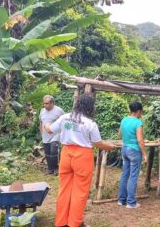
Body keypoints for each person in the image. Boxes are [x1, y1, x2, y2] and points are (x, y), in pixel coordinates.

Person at [45, 94, 117, 227]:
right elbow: (98, 144)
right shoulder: (90, 123)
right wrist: (111, 146)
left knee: (64, 189)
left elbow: (49, 130)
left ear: (77, 104)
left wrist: (47, 124)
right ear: (90, 107)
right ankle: (74, 223)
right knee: (80, 192)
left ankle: (61, 222)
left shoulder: (65, 117)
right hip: (83, 156)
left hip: (66, 154)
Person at [118, 102, 148, 209]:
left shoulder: (124, 120)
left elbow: (119, 135)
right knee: (133, 176)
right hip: (134, 151)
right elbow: (140, 140)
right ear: (139, 111)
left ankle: (121, 200)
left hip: (124, 149)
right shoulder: (138, 122)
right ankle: (131, 202)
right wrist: (145, 154)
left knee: (125, 174)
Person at [39, 95, 64, 175]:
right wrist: (41, 133)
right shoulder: (42, 111)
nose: (45, 105)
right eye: (44, 103)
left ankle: (56, 168)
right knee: (47, 152)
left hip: (56, 135)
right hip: (45, 135)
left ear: (52, 103)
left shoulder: (59, 110)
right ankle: (50, 169)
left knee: (53, 150)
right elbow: (41, 123)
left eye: (47, 103)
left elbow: (65, 121)